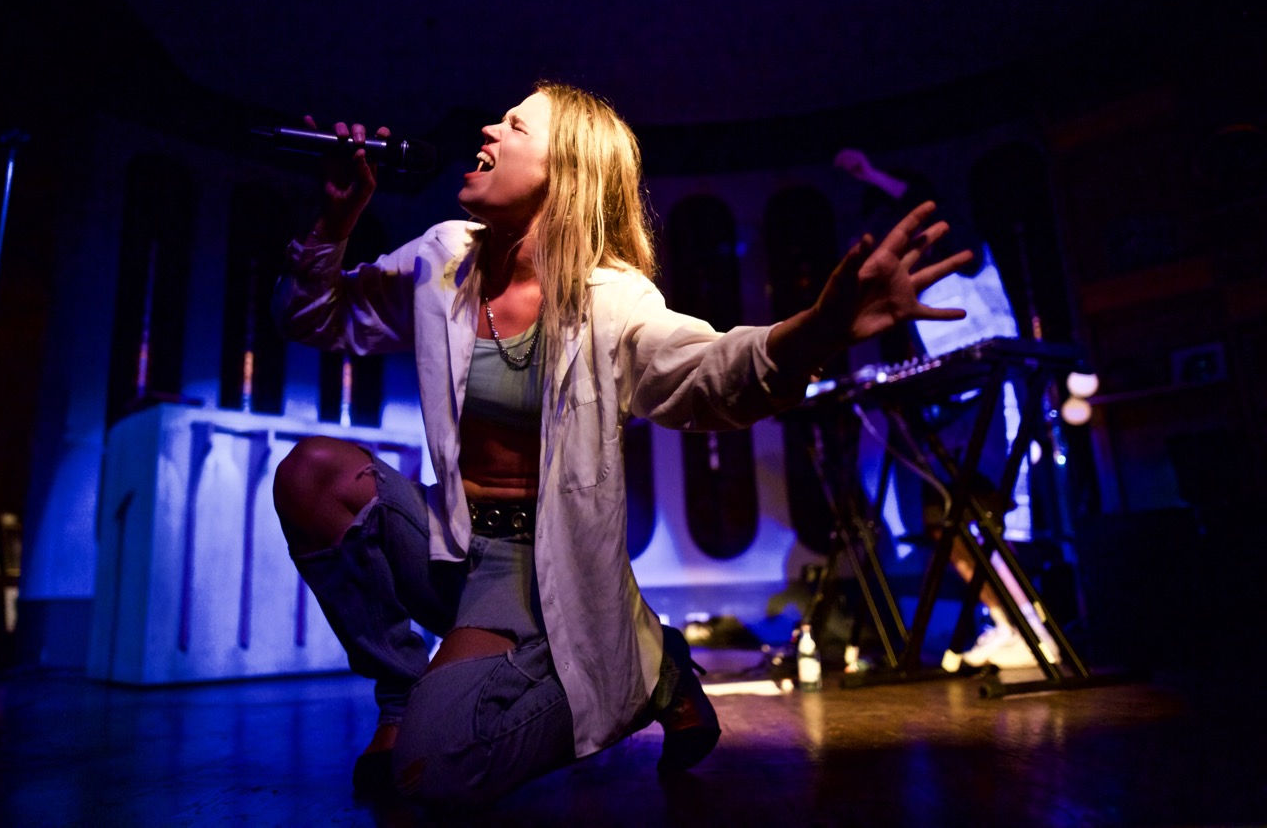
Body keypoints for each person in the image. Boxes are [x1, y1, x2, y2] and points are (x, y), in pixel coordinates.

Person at [269, 83, 972, 808]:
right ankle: (401, 697)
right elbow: (308, 316)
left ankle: (642, 670)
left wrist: (821, 328)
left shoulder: (612, 299)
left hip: (531, 571)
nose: (489, 130)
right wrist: (336, 219)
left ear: (567, 172)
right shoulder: (443, 258)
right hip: (448, 543)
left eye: (516, 127)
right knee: (312, 476)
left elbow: (714, 373)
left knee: (432, 772)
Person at [833, 147, 1059, 671]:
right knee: (946, 521)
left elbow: (923, 199)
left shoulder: (961, 249)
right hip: (957, 407)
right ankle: (1008, 622)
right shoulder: (910, 284)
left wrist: (872, 174)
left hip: (997, 397)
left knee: (992, 516)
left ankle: (1032, 626)